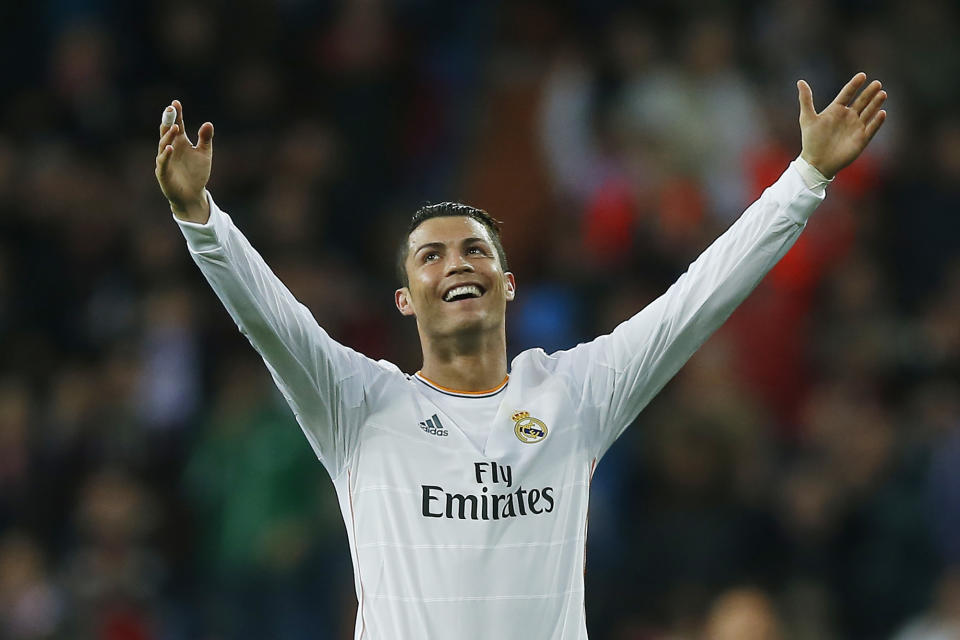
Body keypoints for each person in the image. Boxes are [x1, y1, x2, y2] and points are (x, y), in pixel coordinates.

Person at [155, 74, 886, 639]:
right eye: (431, 256)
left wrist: (805, 179)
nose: (456, 264)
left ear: (506, 284)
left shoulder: (573, 393)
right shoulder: (360, 406)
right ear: (406, 298)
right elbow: (271, 319)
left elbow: (696, 302)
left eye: (475, 249)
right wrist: (201, 217)